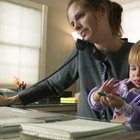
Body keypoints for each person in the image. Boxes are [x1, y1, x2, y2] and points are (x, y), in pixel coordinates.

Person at [0, 0, 134, 121]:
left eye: (80, 16)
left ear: (102, 10)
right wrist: (11, 100)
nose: (76, 26)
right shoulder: (81, 53)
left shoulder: (134, 52)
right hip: (85, 134)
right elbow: (51, 85)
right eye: (72, 23)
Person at [88, 40, 140, 130]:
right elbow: (97, 106)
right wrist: (97, 96)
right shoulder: (120, 86)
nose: (137, 74)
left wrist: (122, 106)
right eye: (133, 68)